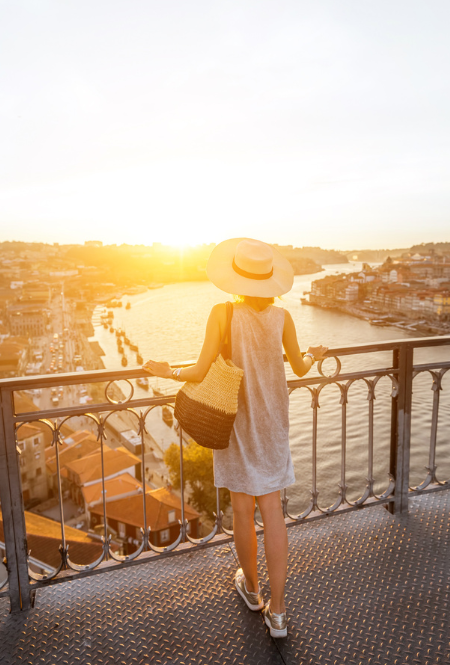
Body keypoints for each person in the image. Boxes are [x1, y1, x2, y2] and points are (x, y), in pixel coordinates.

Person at [144, 237, 329, 639]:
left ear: (236, 277)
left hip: (234, 422)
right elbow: (299, 368)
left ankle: (253, 591)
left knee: (243, 511)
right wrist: (314, 354)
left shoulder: (222, 313)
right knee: (273, 512)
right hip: (273, 422)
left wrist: (165, 370)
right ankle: (278, 614)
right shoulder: (283, 318)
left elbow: (199, 370)